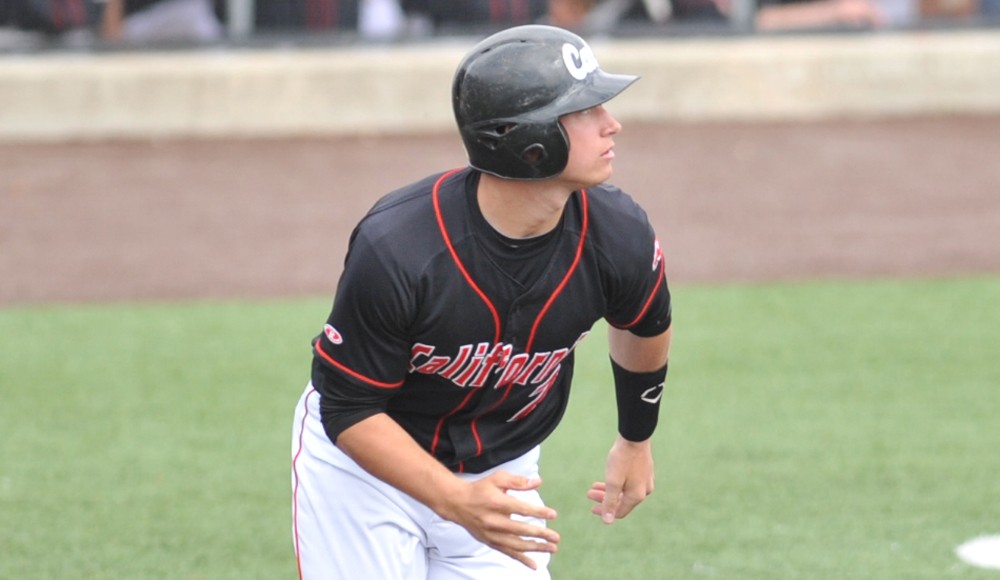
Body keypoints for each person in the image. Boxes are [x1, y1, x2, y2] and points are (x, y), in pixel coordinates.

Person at [290, 23, 673, 579]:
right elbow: (348, 408)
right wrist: (451, 499)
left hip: (502, 470)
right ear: (530, 140)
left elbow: (645, 324)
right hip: (366, 471)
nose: (612, 123)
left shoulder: (617, 233)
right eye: (585, 111)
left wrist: (636, 439)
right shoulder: (400, 248)